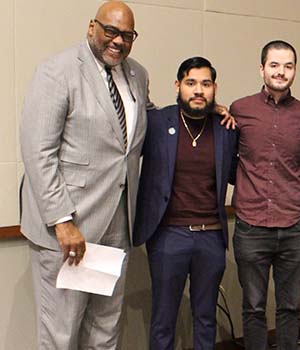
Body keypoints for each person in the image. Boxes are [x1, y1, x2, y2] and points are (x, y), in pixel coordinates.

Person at [18, 2, 151, 348]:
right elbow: (38, 151)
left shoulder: (137, 74)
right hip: (69, 229)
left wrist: (207, 109)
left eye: (127, 35)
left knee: (105, 328)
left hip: (117, 225)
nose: (118, 41)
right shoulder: (57, 71)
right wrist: (62, 221)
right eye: (111, 31)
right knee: (61, 333)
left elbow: (143, 124)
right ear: (92, 27)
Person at [133, 57, 237, 350]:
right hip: (168, 236)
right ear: (178, 86)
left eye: (205, 84)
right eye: (191, 83)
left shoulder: (226, 128)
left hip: (211, 237)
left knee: (205, 318)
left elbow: (236, 173)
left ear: (215, 88)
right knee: (163, 319)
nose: (198, 91)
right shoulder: (156, 123)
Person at [229, 40, 300, 350]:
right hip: (251, 226)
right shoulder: (240, 110)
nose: (280, 72)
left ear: (295, 70)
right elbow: (227, 163)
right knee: (254, 308)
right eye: (274, 65)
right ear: (262, 68)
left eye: (288, 66)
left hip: (293, 226)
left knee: (290, 308)